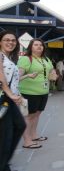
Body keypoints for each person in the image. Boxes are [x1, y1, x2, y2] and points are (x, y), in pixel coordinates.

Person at [18, 38, 54, 149]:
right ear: (31, 47)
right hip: (29, 93)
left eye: (41, 45)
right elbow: (16, 77)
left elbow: (51, 70)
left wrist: (53, 74)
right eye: (36, 45)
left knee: (37, 114)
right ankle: (27, 141)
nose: (39, 47)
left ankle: (34, 136)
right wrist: (28, 75)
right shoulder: (26, 59)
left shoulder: (46, 59)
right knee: (29, 116)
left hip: (43, 91)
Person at [0, 30, 26, 171]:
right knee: (6, 134)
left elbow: (13, 79)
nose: (10, 42)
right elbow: (1, 77)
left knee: (20, 126)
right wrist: (10, 94)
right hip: (3, 99)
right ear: (0, 42)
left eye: (13, 40)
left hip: (8, 99)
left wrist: (17, 94)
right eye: (6, 40)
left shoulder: (8, 58)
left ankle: (4, 162)